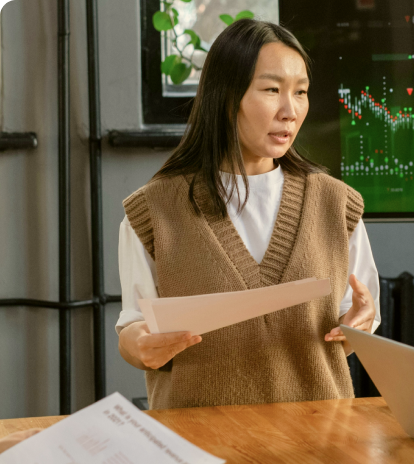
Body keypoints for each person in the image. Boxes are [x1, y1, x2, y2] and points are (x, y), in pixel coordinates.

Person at [116, 19, 380, 410]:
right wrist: (140, 345)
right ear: (226, 97)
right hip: (199, 448)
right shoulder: (152, 211)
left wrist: (360, 323)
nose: (290, 111)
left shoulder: (337, 205)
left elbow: (355, 318)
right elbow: (133, 326)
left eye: (301, 92)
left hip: (318, 442)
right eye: (272, 90)